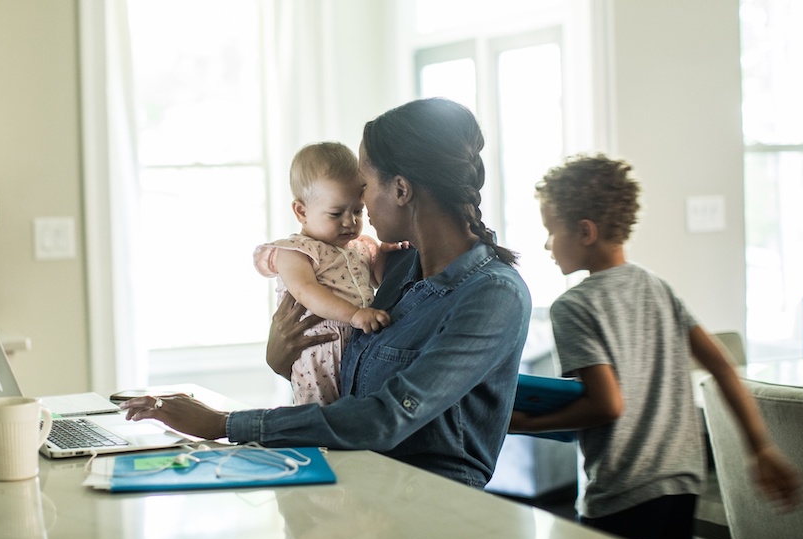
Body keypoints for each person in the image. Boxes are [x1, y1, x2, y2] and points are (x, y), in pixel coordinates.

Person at [122, 98, 532, 489]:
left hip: (431, 509)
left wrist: (226, 424)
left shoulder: (493, 295)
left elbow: (386, 417)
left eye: (365, 185)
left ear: (402, 190)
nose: (361, 204)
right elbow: (353, 386)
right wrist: (282, 358)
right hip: (355, 484)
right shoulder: (398, 270)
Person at [510, 153, 803, 539]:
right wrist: (759, 447)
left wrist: (526, 423)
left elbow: (607, 405)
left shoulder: (574, 306)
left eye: (550, 231)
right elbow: (721, 365)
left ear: (584, 231)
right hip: (681, 482)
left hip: (622, 491)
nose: (546, 244)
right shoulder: (656, 286)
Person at [253, 141, 392, 406]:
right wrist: (353, 314)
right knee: (318, 416)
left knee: (356, 415)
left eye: (357, 211)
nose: (350, 222)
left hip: (360, 341)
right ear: (302, 211)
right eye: (336, 213)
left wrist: (386, 251)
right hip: (319, 349)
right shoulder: (295, 251)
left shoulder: (360, 247)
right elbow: (306, 292)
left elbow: (380, 280)